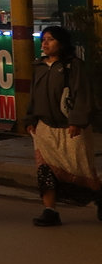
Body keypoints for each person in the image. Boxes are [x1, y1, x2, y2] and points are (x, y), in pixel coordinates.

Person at [25, 25, 101, 226]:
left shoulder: (74, 66)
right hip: (45, 128)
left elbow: (82, 94)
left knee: (81, 169)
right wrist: (30, 119)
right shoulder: (39, 66)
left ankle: (99, 197)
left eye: (50, 39)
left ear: (62, 43)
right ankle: (50, 210)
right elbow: (33, 95)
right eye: (43, 39)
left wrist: (76, 121)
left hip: (70, 129)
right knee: (45, 170)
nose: (45, 43)